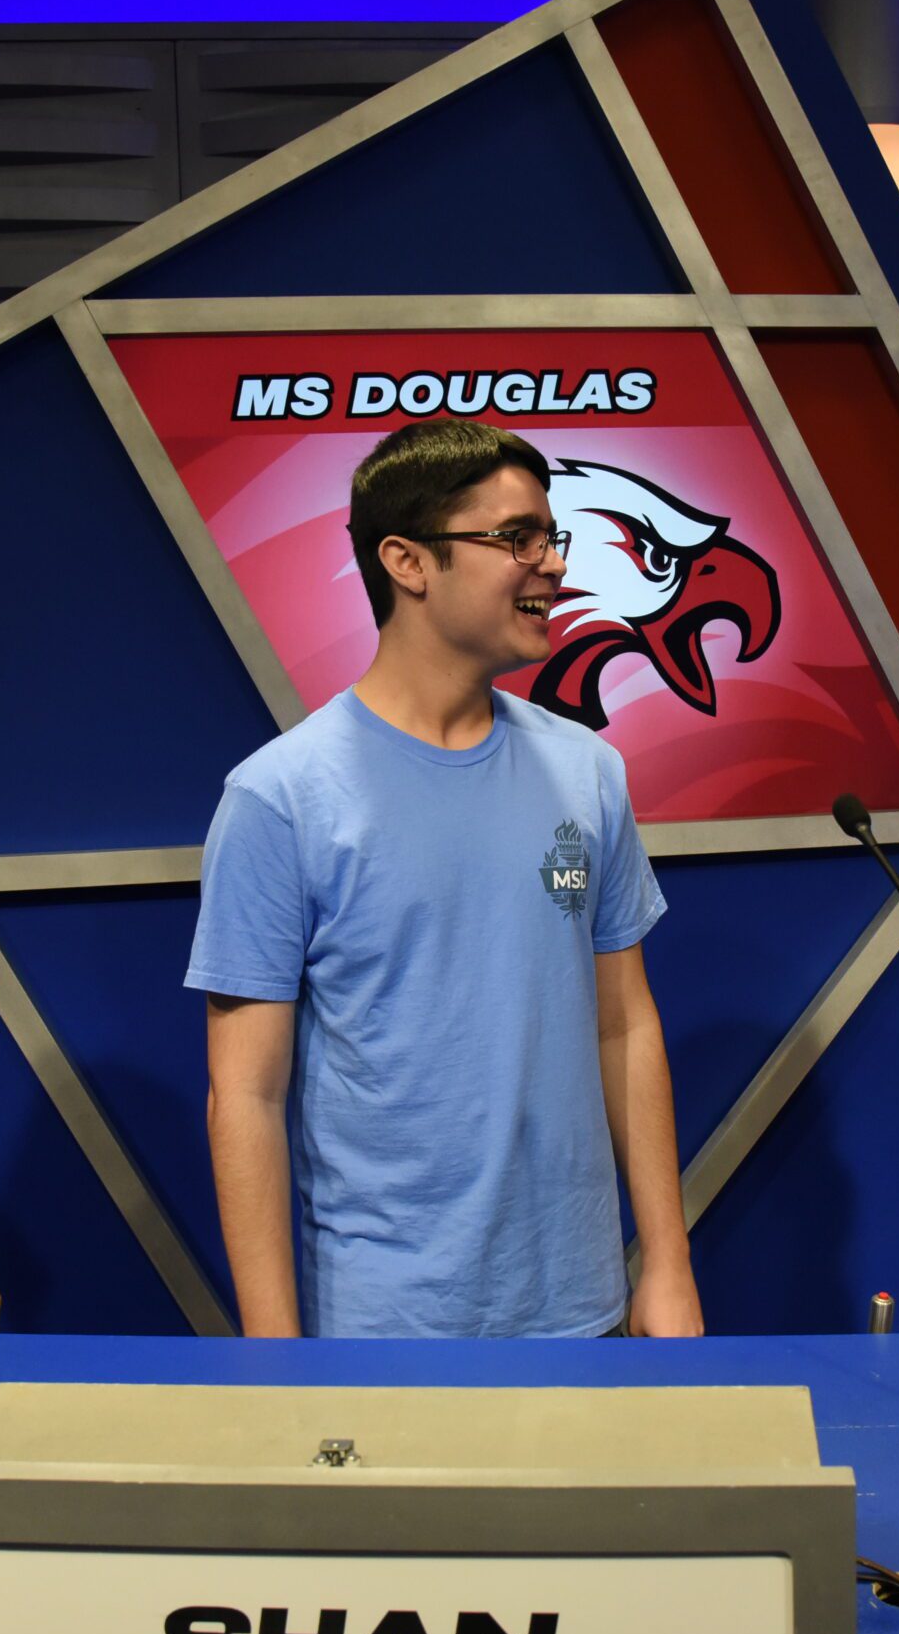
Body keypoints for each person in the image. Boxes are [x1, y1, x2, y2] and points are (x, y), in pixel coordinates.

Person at [187, 419, 704, 1338]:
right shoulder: (280, 798)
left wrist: (667, 1263)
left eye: (551, 536)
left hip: (579, 1312)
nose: (553, 564)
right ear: (408, 562)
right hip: (383, 1330)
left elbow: (624, 1024)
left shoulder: (588, 771)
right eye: (518, 538)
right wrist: (274, 1359)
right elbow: (247, 1097)